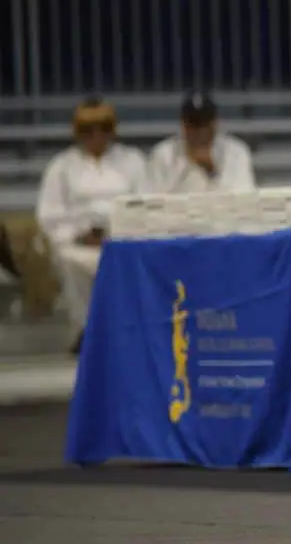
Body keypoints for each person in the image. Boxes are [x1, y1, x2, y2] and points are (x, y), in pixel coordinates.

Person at [35, 97, 149, 352]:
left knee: (134, 259)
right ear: (78, 133)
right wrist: (78, 234)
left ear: (111, 130)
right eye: (88, 130)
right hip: (79, 243)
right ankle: (86, 330)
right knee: (69, 259)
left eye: (103, 129)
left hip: (122, 240)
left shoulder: (133, 161)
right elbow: (49, 214)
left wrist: (116, 231)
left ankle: (128, 333)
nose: (96, 136)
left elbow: (145, 205)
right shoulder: (61, 167)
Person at [146, 91, 257, 195]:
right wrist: (186, 166)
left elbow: (244, 200)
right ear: (183, 125)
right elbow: (155, 202)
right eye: (194, 124)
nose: (200, 131)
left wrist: (211, 171)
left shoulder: (236, 153)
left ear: (214, 123)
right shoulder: (163, 155)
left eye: (204, 124)